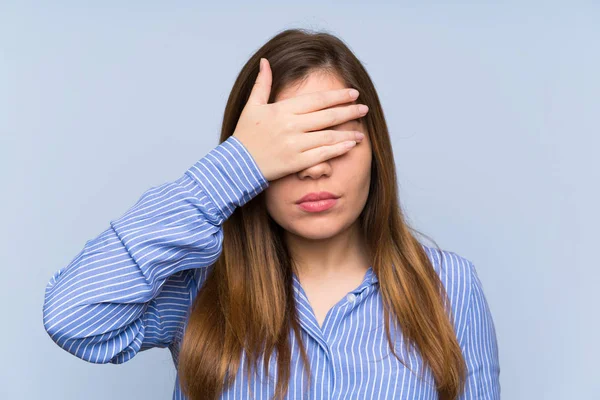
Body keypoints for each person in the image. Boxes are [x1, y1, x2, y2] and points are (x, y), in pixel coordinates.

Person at [42, 28, 500, 400]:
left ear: (375, 149)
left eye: (334, 137)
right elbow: (74, 317)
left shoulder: (448, 286)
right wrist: (233, 166)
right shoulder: (199, 285)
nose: (316, 166)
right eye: (290, 146)